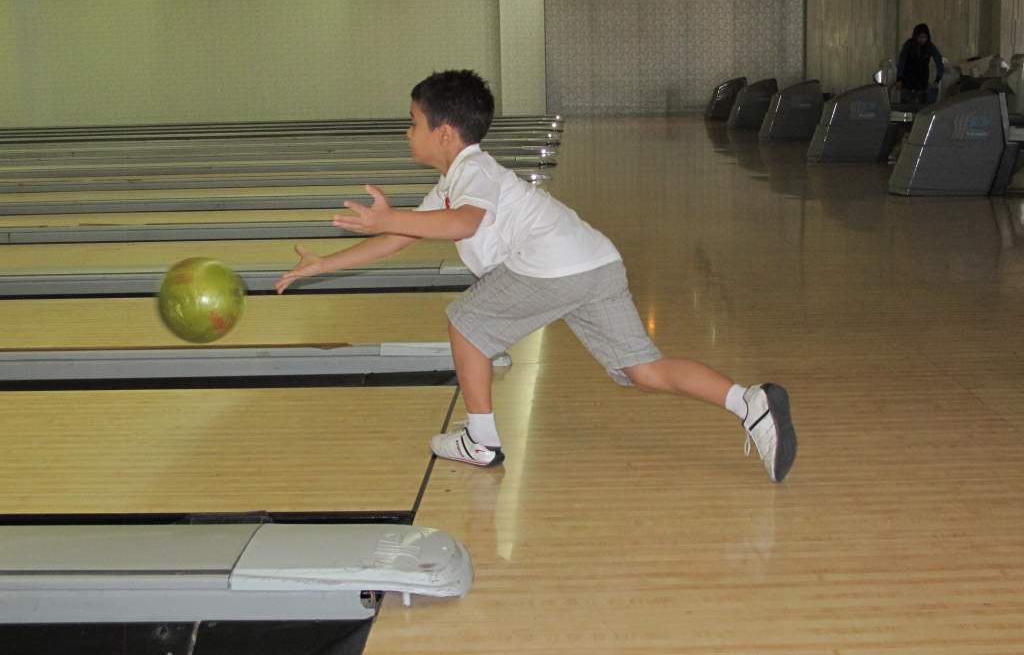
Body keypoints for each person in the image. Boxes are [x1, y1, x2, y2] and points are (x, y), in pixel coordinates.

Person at [275, 70, 797, 482]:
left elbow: (462, 223)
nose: (407, 131)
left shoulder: (474, 171)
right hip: (594, 263)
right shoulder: (454, 181)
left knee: (465, 322)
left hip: (552, 267)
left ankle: (480, 441)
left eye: (412, 121)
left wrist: (388, 216)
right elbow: (402, 237)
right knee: (643, 370)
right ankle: (748, 402)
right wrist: (324, 264)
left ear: (445, 132)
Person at [896, 23, 944, 104]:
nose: (922, 40)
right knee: (906, 103)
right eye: (920, 37)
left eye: (924, 37)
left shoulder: (929, 46)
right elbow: (901, 61)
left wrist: (938, 79)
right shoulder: (909, 45)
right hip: (907, 80)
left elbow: (939, 61)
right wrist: (899, 78)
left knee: (920, 104)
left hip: (922, 81)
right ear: (915, 36)